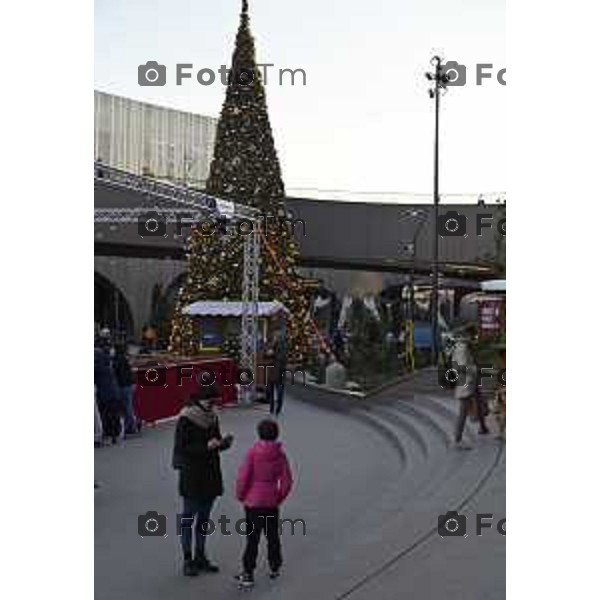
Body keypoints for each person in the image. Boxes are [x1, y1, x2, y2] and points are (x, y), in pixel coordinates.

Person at [172, 384, 234, 577]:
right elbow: (182, 448)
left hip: (210, 472)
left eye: (214, 401)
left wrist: (223, 444)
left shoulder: (212, 417)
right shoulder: (186, 418)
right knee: (189, 517)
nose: (213, 405)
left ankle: (200, 556)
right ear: (199, 400)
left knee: (204, 519)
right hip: (192, 474)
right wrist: (206, 447)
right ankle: (187, 559)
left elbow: (215, 441)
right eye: (210, 401)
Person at [235, 419, 293, 588]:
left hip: (253, 502)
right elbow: (287, 481)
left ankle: (248, 573)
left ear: (259, 433)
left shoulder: (252, 452)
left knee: (252, 539)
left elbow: (243, 476)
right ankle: (274, 566)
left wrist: (241, 495)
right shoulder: (280, 455)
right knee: (272, 535)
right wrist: (278, 497)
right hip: (271, 502)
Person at [452, 324, 489, 449]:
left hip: (470, 381)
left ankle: (483, 427)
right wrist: (474, 369)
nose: (474, 338)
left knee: (479, 401)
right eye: (472, 335)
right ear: (467, 335)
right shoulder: (462, 348)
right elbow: (461, 367)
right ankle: (457, 440)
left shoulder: (464, 346)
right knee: (463, 411)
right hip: (466, 383)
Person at [94, 341, 121, 444]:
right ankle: (114, 435)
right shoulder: (108, 365)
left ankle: (107, 435)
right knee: (113, 414)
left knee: (105, 415)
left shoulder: (97, 367)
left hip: (104, 394)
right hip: (113, 392)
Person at [112, 343, 138, 435]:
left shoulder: (117, 360)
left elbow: (117, 373)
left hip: (124, 386)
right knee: (128, 407)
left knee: (127, 408)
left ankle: (131, 427)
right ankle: (131, 426)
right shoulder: (124, 359)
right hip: (129, 384)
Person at [266, 329, 287, 416]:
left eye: (276, 336)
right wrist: (269, 353)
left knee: (279, 392)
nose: (275, 337)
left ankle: (277, 409)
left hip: (280, 371)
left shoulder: (283, 346)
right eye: (274, 336)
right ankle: (272, 408)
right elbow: (266, 355)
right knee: (270, 391)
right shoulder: (271, 345)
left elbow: (282, 358)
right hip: (272, 371)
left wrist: (272, 354)